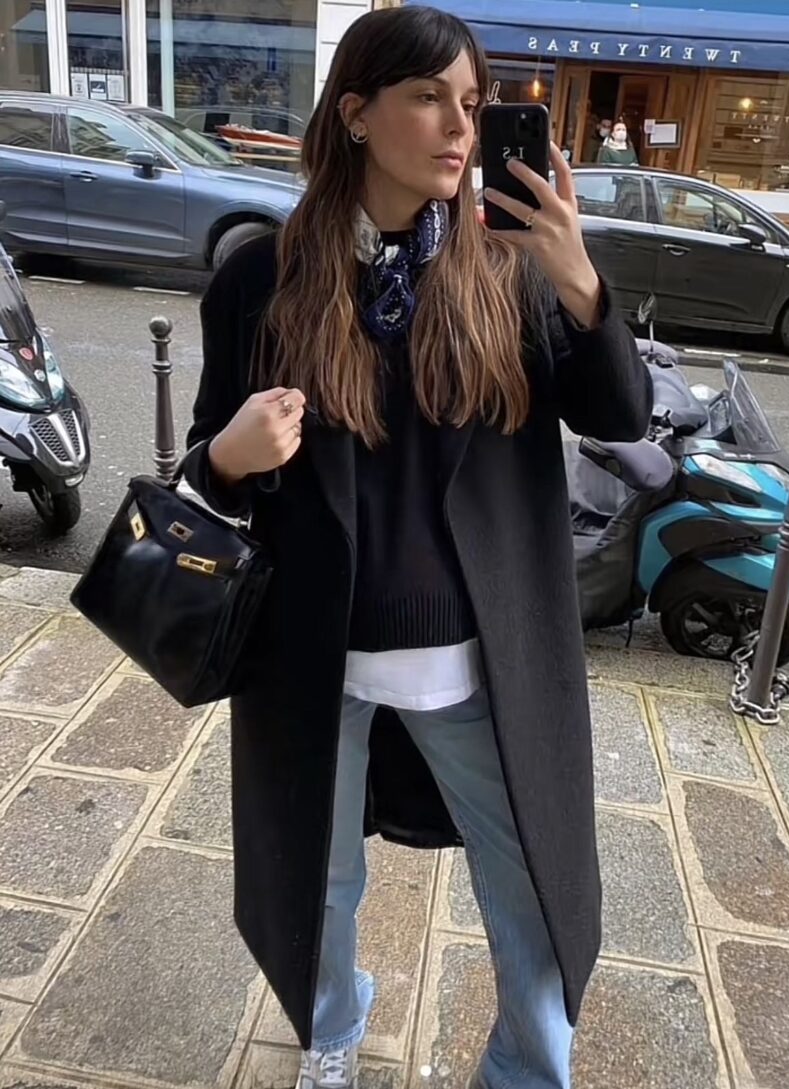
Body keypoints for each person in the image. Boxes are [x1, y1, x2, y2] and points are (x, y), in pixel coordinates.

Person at [183, 7, 652, 1088]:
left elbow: (618, 415)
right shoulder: (261, 279)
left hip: (477, 654)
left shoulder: (509, 268)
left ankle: (528, 1072)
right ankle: (333, 1033)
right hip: (311, 650)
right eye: (428, 98)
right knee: (319, 881)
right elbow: (211, 479)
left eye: (472, 104)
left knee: (529, 882)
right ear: (354, 112)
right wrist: (233, 455)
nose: (458, 126)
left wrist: (579, 282)